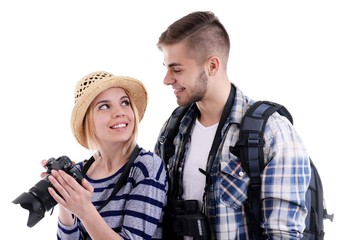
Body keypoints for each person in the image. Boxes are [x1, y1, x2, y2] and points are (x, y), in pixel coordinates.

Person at [154, 11, 311, 239]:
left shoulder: (272, 132)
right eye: (166, 68)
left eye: (176, 69)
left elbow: (283, 234)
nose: (167, 79)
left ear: (212, 66)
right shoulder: (173, 128)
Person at [41, 71, 168, 239]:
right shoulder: (81, 171)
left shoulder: (146, 167)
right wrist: (63, 198)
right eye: (104, 106)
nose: (119, 112)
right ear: (88, 121)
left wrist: (84, 210)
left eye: (125, 103)